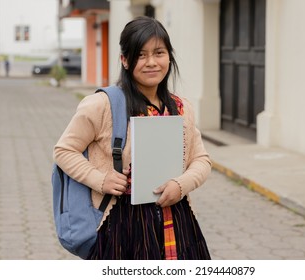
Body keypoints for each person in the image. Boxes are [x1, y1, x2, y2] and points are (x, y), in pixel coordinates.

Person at [53, 16, 212, 260]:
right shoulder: (103, 105)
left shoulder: (181, 108)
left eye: (159, 53)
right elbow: (64, 151)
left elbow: (201, 159)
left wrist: (181, 186)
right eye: (141, 54)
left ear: (169, 56)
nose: (151, 62)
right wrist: (100, 179)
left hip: (176, 219)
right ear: (125, 60)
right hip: (121, 225)